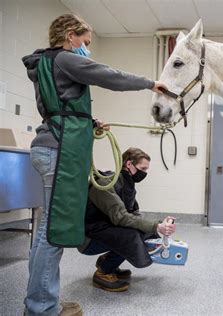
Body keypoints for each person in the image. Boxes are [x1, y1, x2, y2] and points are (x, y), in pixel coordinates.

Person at [22, 14, 167, 316]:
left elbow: (59, 109)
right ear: (70, 35)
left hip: (51, 148)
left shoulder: (46, 64)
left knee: (48, 231)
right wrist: (150, 84)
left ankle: (41, 302)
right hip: (59, 153)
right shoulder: (64, 58)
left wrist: (88, 123)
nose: (87, 49)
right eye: (85, 42)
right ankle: (42, 308)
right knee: (55, 233)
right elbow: (108, 75)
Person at [79, 147, 176, 292]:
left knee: (145, 232)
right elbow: (121, 217)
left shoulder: (127, 184)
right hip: (89, 238)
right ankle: (103, 273)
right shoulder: (106, 183)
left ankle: (108, 261)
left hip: (105, 231)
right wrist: (156, 226)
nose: (144, 173)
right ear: (129, 164)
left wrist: (160, 223)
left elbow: (134, 214)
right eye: (143, 168)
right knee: (132, 236)